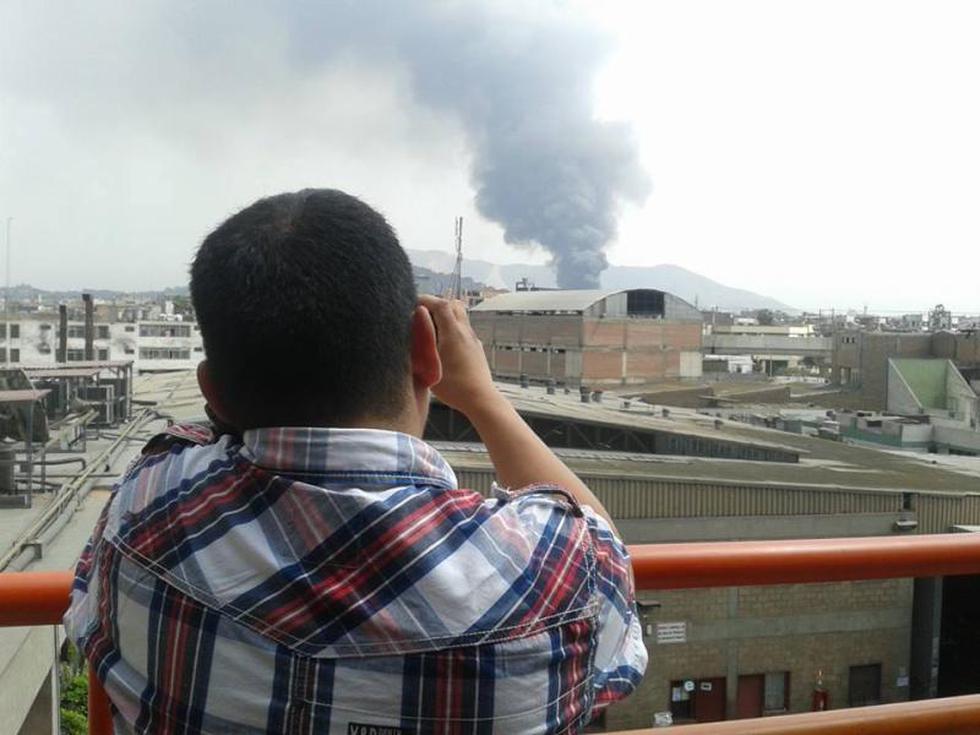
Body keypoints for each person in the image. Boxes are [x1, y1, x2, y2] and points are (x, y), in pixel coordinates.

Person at [64, 189, 646, 734]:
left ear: (213, 390)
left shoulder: (143, 509)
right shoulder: (555, 573)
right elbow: (604, 551)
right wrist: (483, 399)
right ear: (425, 348)